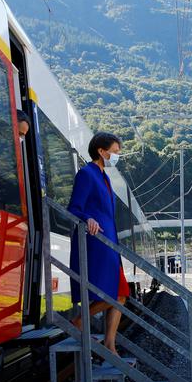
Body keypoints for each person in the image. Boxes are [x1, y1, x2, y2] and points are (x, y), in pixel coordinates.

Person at [67, 132, 129, 356]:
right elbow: (74, 208)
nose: (116, 156)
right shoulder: (86, 174)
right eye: (114, 152)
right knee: (111, 293)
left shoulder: (104, 177)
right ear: (101, 152)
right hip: (96, 243)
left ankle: (109, 344)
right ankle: (80, 321)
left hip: (109, 243)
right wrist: (88, 219)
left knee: (121, 293)